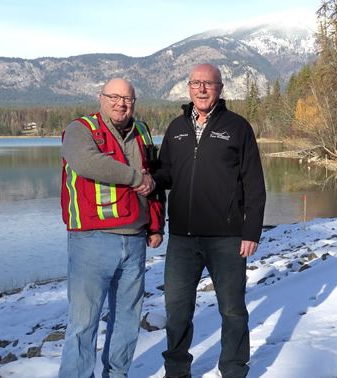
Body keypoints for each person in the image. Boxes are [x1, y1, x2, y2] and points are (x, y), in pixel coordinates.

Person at [154, 63, 266, 378]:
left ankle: (233, 369)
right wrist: (145, 172)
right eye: (196, 83)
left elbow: (255, 185)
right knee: (176, 311)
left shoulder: (238, 127)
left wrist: (251, 231)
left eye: (209, 83)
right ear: (188, 88)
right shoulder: (176, 129)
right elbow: (166, 176)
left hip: (227, 237)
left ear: (220, 88)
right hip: (182, 239)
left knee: (232, 311)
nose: (202, 89)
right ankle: (176, 370)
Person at [59, 78, 165, 378]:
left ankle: (117, 374)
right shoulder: (81, 130)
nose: (121, 103)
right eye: (115, 97)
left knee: (128, 321)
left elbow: (154, 180)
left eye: (128, 98)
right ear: (101, 98)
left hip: (134, 241)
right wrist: (134, 178)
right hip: (92, 241)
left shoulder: (142, 130)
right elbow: (86, 162)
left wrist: (156, 225)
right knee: (83, 322)